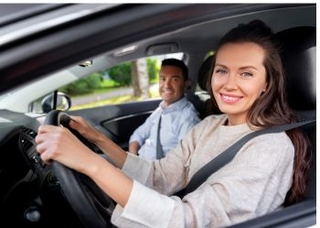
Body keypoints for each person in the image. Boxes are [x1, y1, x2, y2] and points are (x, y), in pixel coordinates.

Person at [35, 20, 310, 227]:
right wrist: (97, 141)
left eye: (246, 73)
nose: (229, 84)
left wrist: (90, 164)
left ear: (266, 84)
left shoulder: (271, 148)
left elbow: (188, 221)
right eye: (222, 70)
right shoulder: (211, 124)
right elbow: (160, 176)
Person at [129, 58, 201, 160]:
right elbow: (138, 135)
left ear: (186, 84)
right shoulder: (161, 110)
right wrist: (133, 159)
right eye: (163, 79)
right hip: (137, 163)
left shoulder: (188, 120)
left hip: (154, 173)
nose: (166, 85)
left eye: (174, 79)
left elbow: (184, 164)